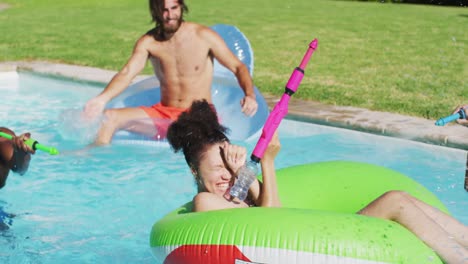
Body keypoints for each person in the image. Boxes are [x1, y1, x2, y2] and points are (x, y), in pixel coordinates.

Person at [167, 100, 468, 264]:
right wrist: (268, 164)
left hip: (315, 243)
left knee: (401, 199)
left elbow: (273, 212)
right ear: (195, 173)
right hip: (316, 250)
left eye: (227, 166)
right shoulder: (204, 202)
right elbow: (270, 224)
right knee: (395, 201)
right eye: (216, 168)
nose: (224, 175)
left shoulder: (239, 188)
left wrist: (244, 172)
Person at [83, 0, 258, 145]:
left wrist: (249, 95)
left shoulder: (203, 36)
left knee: (195, 138)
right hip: (164, 114)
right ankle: (95, 161)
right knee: (109, 117)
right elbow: (127, 73)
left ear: (181, 7)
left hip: (198, 115)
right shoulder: (149, 42)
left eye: (174, 8)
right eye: (163, 10)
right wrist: (101, 99)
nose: (169, 15)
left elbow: (238, 67)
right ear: (155, 11)